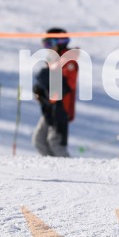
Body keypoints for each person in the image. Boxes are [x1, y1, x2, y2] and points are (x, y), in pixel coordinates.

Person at [32, 28, 79, 157]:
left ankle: (69, 169)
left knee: (55, 143)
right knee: (39, 140)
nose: (47, 48)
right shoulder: (52, 60)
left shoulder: (68, 61)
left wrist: (49, 82)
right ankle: (54, 169)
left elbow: (68, 85)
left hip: (60, 109)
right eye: (45, 45)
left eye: (49, 44)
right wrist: (40, 92)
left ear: (60, 42)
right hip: (49, 107)